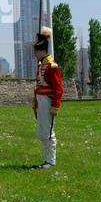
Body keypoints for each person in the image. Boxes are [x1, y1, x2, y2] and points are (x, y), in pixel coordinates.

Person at [32, 27, 63, 169]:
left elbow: (58, 88)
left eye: (37, 51)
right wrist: (35, 104)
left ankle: (50, 161)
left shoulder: (52, 66)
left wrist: (55, 106)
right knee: (42, 131)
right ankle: (47, 159)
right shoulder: (42, 65)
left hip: (47, 101)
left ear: (43, 51)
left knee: (48, 131)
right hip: (40, 101)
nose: (35, 53)